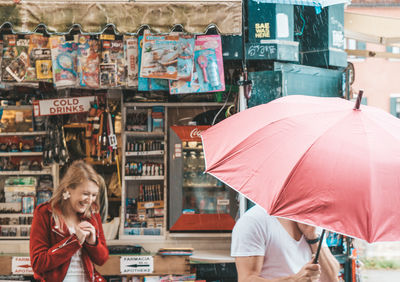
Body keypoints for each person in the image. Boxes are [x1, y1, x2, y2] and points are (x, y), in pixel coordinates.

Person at [30, 160, 109, 282]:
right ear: (68, 189)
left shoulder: (92, 214)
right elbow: (38, 263)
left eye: (94, 195)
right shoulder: (45, 213)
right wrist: (74, 241)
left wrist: (93, 242)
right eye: (86, 194)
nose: (90, 200)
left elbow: (102, 259)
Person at [231, 205, 340, 282]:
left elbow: (332, 278)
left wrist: (312, 237)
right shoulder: (254, 221)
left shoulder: (312, 220)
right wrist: (294, 280)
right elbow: (247, 279)